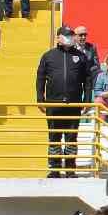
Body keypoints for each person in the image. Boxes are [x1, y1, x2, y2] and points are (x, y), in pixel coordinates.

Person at [35, 26, 90, 177]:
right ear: (58, 37)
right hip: (53, 103)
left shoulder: (81, 56)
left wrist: (87, 100)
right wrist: (40, 98)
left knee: (71, 137)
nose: (70, 38)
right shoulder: (48, 56)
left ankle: (70, 170)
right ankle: (54, 169)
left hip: (74, 103)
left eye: (71, 35)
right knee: (54, 137)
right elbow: (40, 78)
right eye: (67, 35)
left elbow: (87, 80)